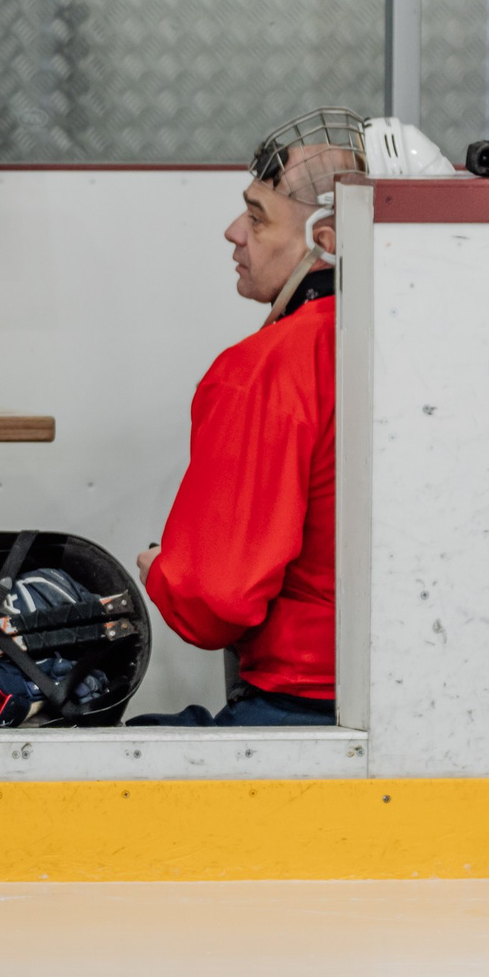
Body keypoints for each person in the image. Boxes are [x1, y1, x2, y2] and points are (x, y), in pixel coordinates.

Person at [130, 108, 349, 727]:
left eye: (257, 216)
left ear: (327, 241)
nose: (234, 231)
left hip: (304, 702)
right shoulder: (425, 339)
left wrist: (162, 572)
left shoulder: (268, 367)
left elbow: (214, 601)